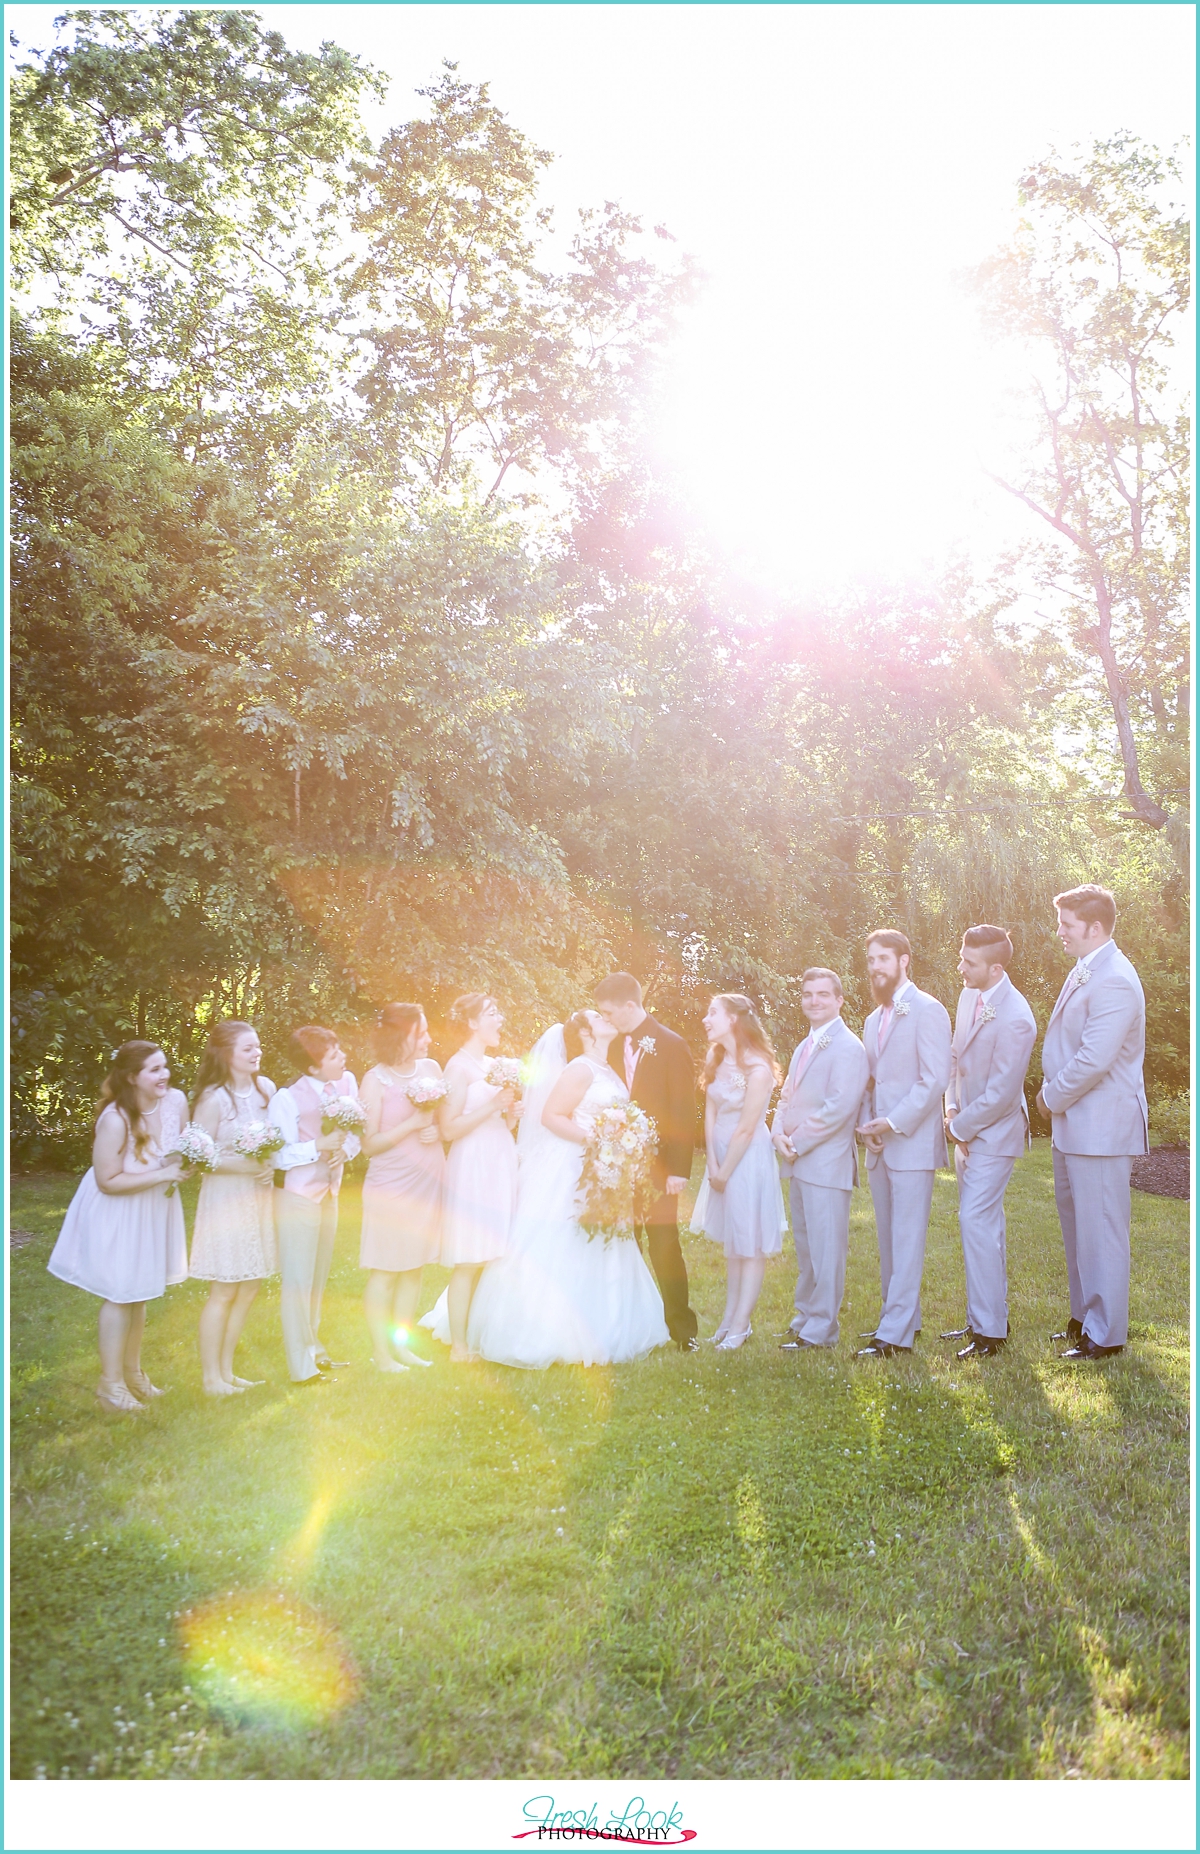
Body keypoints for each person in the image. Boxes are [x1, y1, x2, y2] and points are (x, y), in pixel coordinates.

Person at [428, 1012, 669, 1368]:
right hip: (573, 1166)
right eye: (598, 1017)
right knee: (559, 1242)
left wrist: (619, 1147)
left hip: (600, 1167)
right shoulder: (580, 1069)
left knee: (601, 1241)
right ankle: (544, 1331)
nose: (607, 1018)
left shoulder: (606, 1068)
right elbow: (551, 1116)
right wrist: (599, 1142)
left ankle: (608, 1324)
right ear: (586, 1033)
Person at [1037, 884, 1147, 1360]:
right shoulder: (1088, 969)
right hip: (1077, 1125)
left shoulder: (1116, 978)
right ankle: (1084, 1318)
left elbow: (1095, 1059)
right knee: (1079, 1227)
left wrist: (1048, 1098)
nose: (1059, 932)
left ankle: (1106, 1336)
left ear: (1095, 927)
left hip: (1100, 1127)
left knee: (1101, 1229)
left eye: (1067, 924)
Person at [47, 1041, 188, 1413]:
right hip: (119, 1209)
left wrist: (186, 1163)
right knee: (121, 1291)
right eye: (154, 1070)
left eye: (165, 1066)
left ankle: (133, 1373)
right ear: (131, 1077)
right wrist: (165, 1172)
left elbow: (181, 1147)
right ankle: (109, 1385)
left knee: (139, 1291)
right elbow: (107, 1180)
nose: (165, 1074)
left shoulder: (175, 1102)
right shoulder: (115, 1118)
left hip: (153, 1206)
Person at [855, 929, 952, 1360]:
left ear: (904, 961)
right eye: (871, 960)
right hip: (880, 1146)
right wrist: (868, 1127)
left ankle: (893, 1337)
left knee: (908, 1237)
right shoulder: (872, 1020)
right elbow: (869, 1081)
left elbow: (934, 1080)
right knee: (889, 1239)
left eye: (883, 959)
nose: (875, 967)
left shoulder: (928, 1010)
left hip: (910, 1142)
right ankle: (900, 1321)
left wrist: (892, 1123)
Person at [940, 926, 1036, 1360]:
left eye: (969, 963)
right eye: (961, 958)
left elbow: (1001, 1094)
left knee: (974, 1222)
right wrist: (952, 1110)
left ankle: (989, 1334)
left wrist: (961, 1130)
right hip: (965, 1127)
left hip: (995, 1135)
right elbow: (955, 1058)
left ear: (996, 968)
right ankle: (986, 1318)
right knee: (985, 1227)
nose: (960, 967)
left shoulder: (1017, 1016)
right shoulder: (967, 996)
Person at [595, 973, 699, 1349]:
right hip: (615, 1165)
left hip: (659, 1168)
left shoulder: (672, 1045)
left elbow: (684, 1111)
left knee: (664, 1245)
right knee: (622, 1243)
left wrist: (679, 1171)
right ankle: (627, 1324)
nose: (604, 1019)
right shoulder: (605, 1046)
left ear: (630, 1006)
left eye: (608, 1012)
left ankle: (682, 1330)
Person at [772, 968, 869, 1350]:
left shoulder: (849, 1047)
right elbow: (786, 1096)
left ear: (839, 1000)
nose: (814, 1001)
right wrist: (777, 1132)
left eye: (823, 995)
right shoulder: (803, 1046)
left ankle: (822, 1329)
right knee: (808, 1247)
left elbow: (839, 1109)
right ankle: (804, 1317)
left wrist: (795, 1142)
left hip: (825, 1164)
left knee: (828, 1251)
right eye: (808, 994)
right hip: (798, 1160)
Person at [189, 1020, 277, 1396]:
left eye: (257, 1046)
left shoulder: (266, 1090)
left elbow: (276, 1141)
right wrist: (245, 1166)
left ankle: (227, 1371)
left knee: (249, 1287)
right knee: (224, 1290)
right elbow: (196, 1157)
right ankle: (211, 1378)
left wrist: (270, 1163)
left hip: (258, 1199)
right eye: (247, 1048)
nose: (257, 1053)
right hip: (225, 1200)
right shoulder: (213, 1099)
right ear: (226, 1054)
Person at [268, 1026, 360, 1385]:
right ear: (312, 1067)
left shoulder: (347, 1085)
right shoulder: (286, 1099)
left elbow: (355, 1135)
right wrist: (318, 1146)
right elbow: (278, 1156)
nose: (343, 1059)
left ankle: (316, 1350)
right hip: (297, 1198)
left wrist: (343, 1151)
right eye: (334, 1056)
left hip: (329, 1195)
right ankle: (300, 1366)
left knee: (318, 1279)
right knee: (297, 1282)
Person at [693, 993, 786, 1350]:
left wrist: (726, 1170)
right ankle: (728, 1320)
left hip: (746, 1160)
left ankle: (742, 1325)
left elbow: (747, 1128)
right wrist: (713, 1165)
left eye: (712, 1012)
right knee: (734, 1244)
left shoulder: (758, 1069)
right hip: (720, 1157)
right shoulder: (716, 1058)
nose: (706, 1018)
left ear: (733, 1019)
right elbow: (711, 1111)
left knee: (750, 1244)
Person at [357, 1003, 443, 1374]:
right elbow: (369, 1144)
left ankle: (402, 1347)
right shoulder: (375, 1080)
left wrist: (433, 1129)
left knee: (414, 1268)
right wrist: (412, 1125)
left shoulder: (431, 1070)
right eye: (421, 1033)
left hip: (426, 1182)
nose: (428, 1039)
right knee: (386, 1271)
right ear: (402, 1037)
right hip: (390, 1187)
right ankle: (382, 1354)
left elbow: (440, 1122)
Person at [435, 993, 519, 1363]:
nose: (499, 1018)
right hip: (472, 1164)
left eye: (499, 1011)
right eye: (491, 1013)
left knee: (498, 1249)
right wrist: (493, 1106)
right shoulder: (458, 1067)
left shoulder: (493, 1064)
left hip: (500, 1157)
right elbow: (448, 1129)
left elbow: (501, 1118)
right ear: (471, 1023)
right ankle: (459, 1347)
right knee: (469, 1256)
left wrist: (511, 1112)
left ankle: (488, 1332)